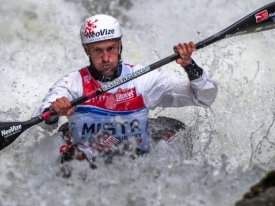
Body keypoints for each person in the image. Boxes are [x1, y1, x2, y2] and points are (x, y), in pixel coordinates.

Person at [32, 14, 218, 163]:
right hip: (88, 158)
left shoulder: (144, 77)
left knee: (177, 131)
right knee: (73, 155)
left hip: (136, 158)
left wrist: (189, 65)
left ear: (120, 45)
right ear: (86, 50)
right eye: (98, 50)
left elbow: (204, 97)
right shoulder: (72, 83)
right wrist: (54, 112)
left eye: (111, 48)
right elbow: (41, 121)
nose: (106, 58)